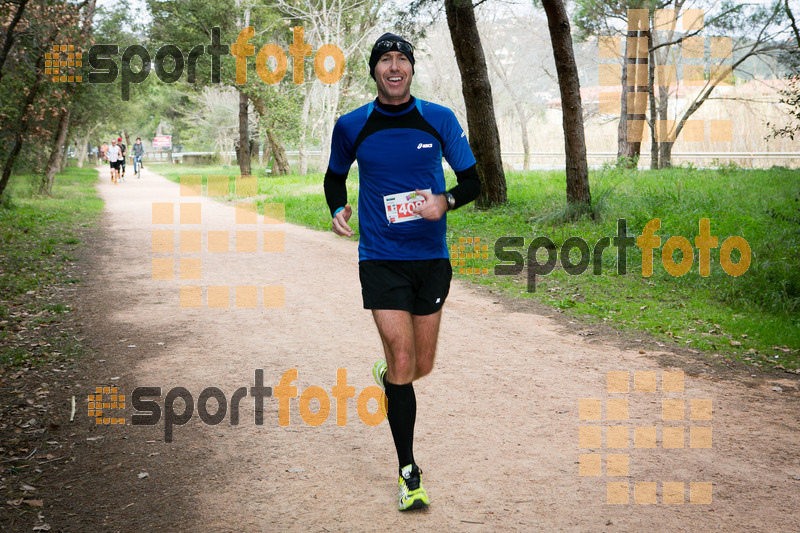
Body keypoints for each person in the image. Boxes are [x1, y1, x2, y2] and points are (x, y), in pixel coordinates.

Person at [323, 32, 481, 512]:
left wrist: (446, 200)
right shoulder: (353, 125)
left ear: (412, 69)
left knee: (419, 366)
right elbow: (334, 175)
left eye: (401, 60)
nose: (394, 67)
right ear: (373, 71)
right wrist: (338, 207)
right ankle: (408, 472)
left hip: (431, 259)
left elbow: (473, 180)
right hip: (380, 258)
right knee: (401, 359)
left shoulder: (439, 119)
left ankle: (392, 376)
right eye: (385, 60)